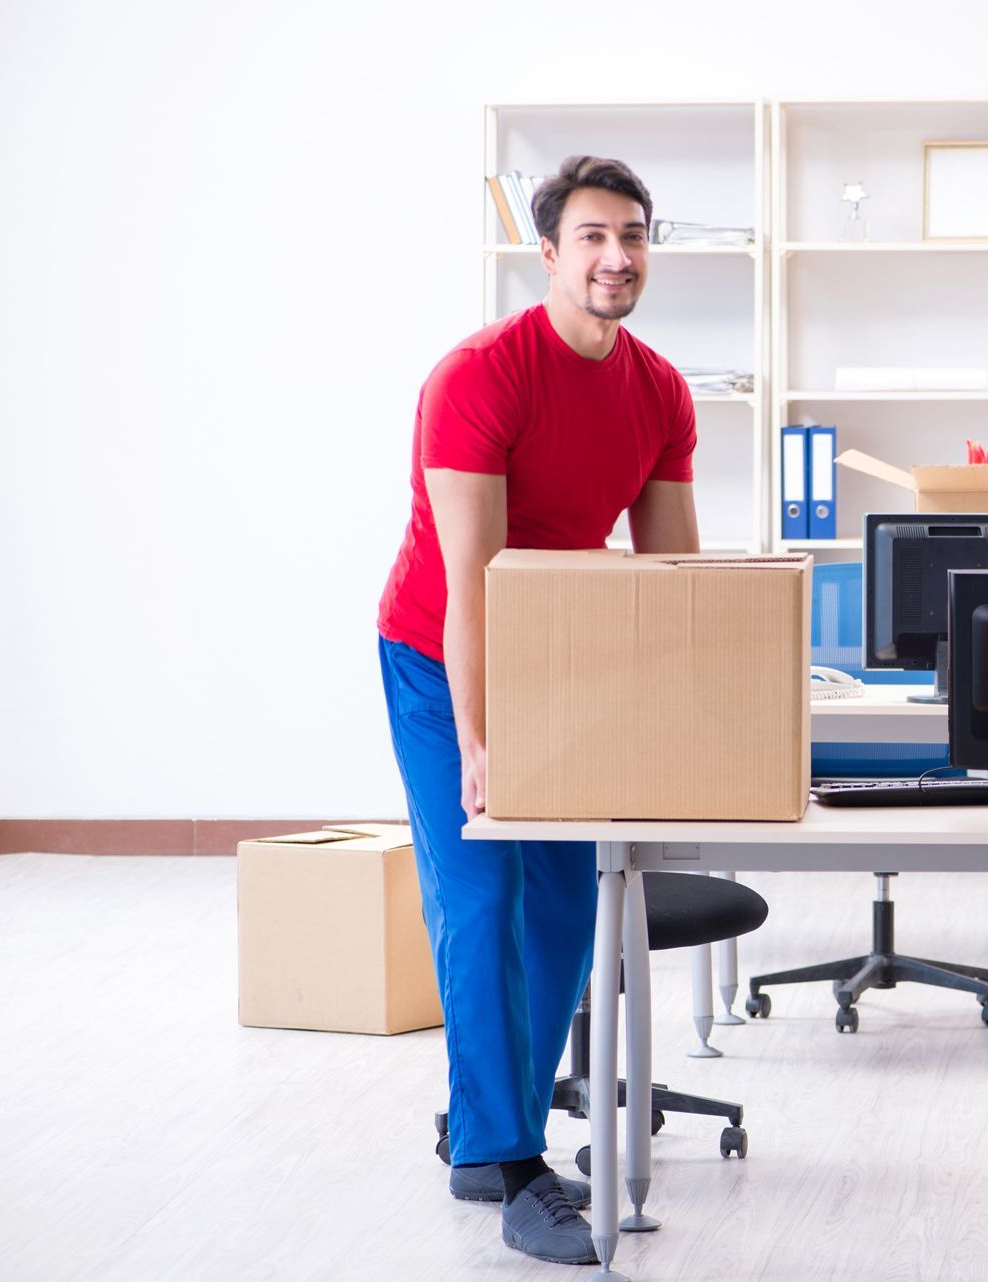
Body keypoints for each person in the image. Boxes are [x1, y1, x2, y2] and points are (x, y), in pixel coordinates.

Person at [375, 154, 701, 1265]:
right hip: (441, 650)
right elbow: (473, 585)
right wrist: (476, 741)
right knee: (478, 890)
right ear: (549, 253)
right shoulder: (478, 376)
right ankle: (512, 1164)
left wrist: (688, 722)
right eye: (595, 237)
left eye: (636, 237)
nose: (619, 257)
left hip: (565, 655)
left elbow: (671, 580)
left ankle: (485, 1124)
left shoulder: (659, 389)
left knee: (566, 897)